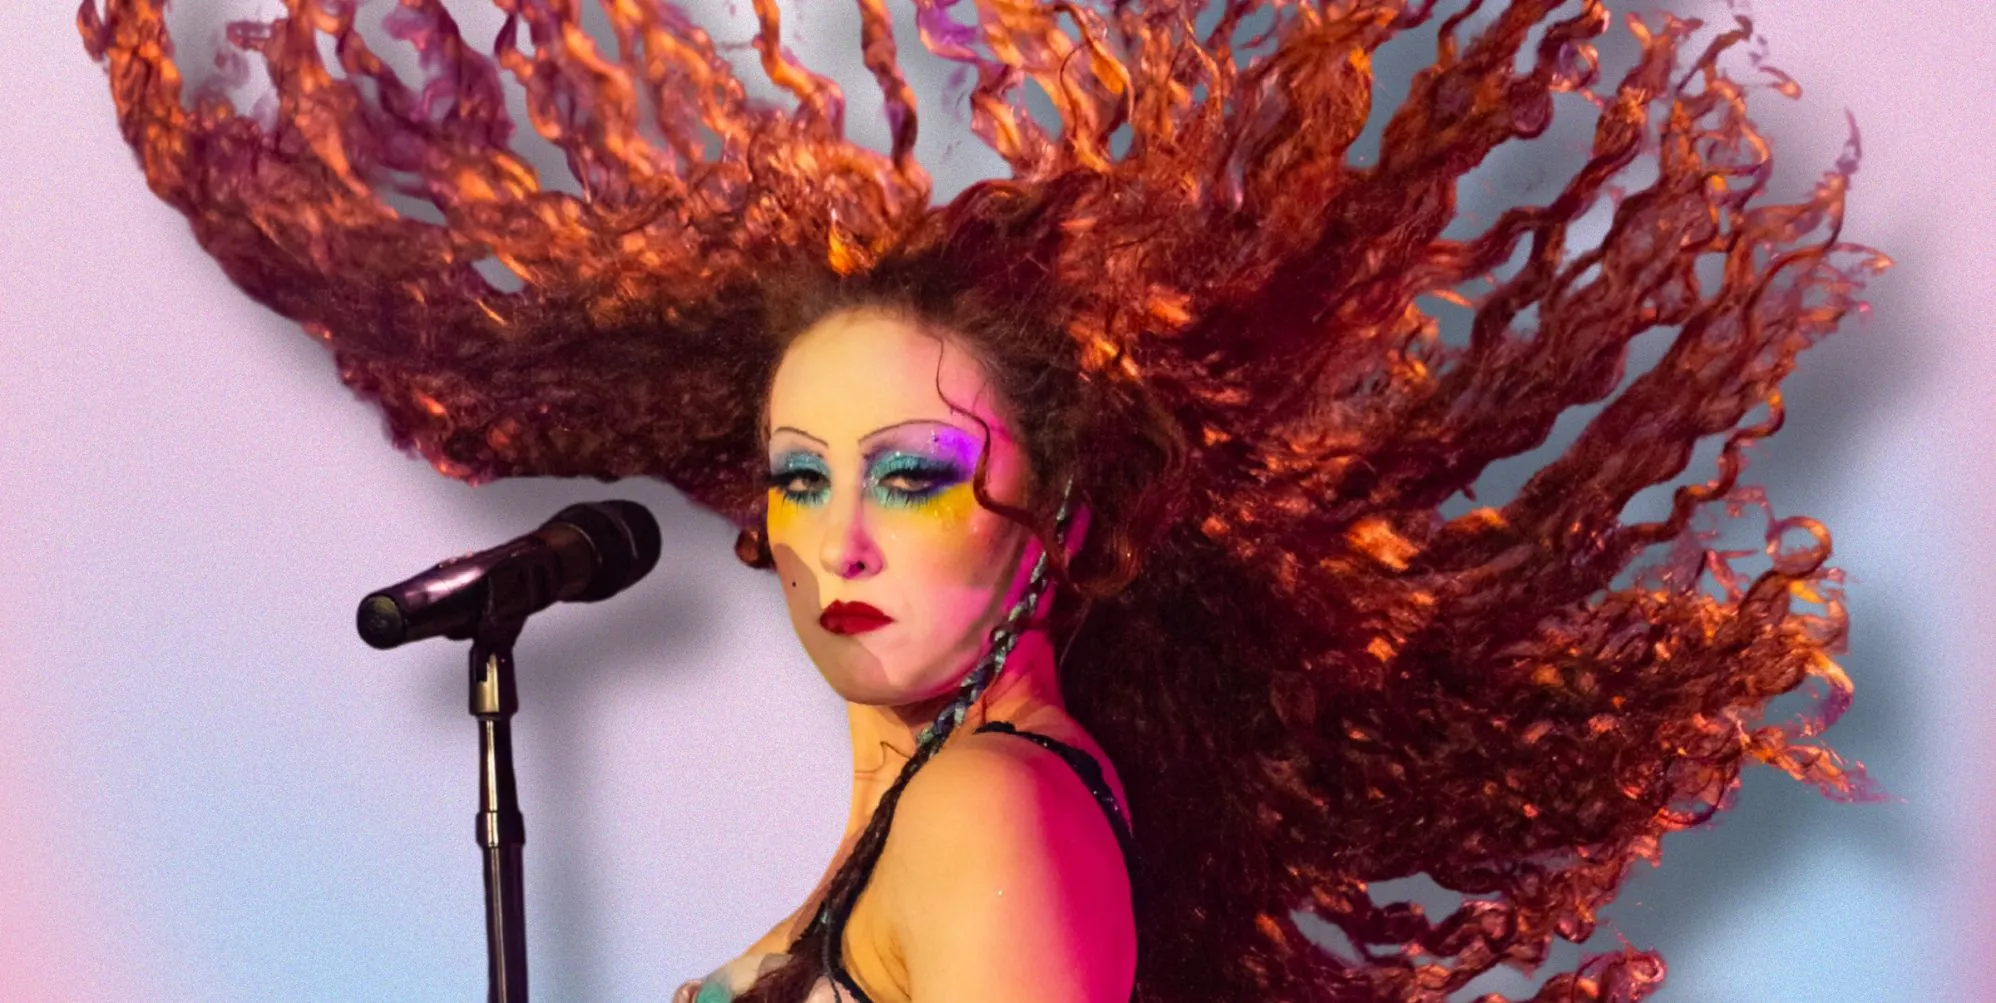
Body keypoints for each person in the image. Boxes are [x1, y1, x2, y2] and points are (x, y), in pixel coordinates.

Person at [80, 0, 1884, 999]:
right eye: (800, 478)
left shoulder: (996, 826)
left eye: (916, 477)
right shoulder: (940, 810)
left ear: (1066, 519)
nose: (838, 538)